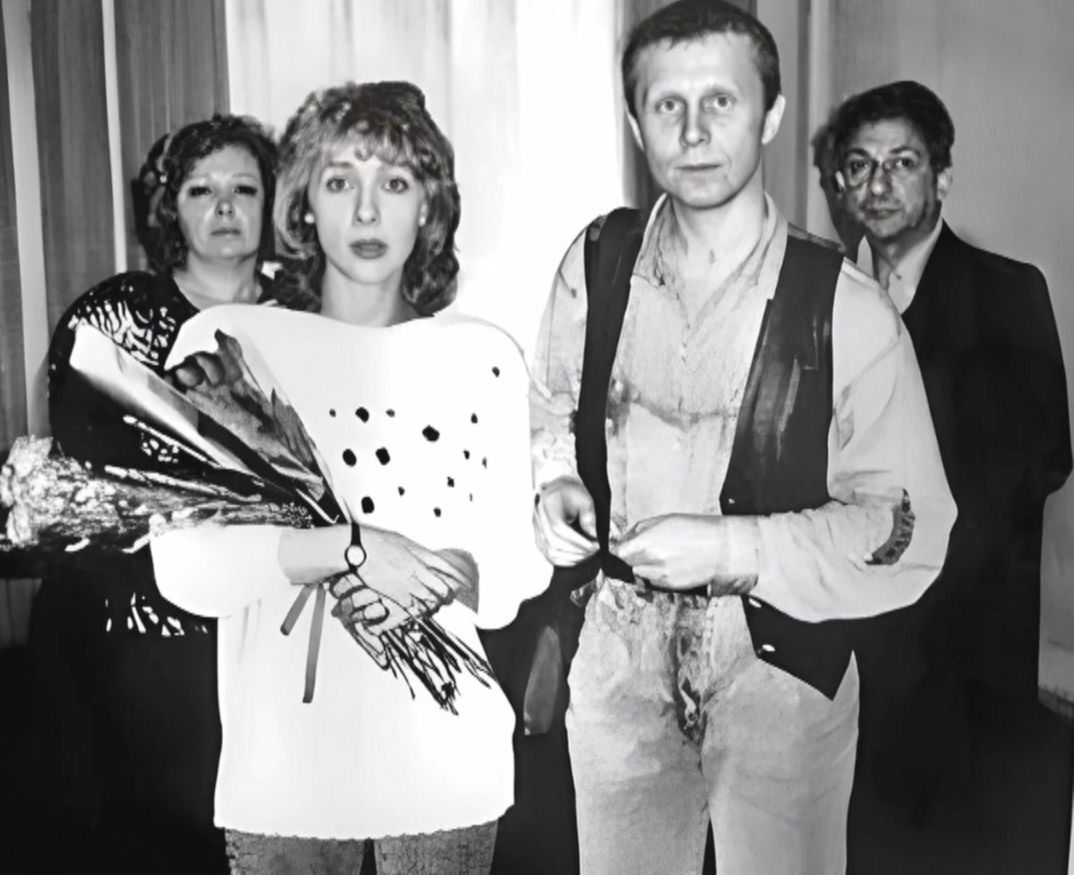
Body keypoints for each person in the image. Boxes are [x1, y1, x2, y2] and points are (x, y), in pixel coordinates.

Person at [529, 3, 957, 873]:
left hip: (780, 673)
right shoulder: (596, 262)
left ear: (770, 114)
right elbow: (551, 403)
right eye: (667, 105)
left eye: (720, 102)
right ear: (635, 121)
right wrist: (556, 482)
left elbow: (907, 526)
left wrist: (732, 547)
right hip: (617, 667)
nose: (693, 133)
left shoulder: (847, 308)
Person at [148, 81, 547, 875]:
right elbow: (186, 570)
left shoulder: (484, 356)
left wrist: (436, 576)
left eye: (394, 183)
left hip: (445, 766)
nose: (367, 212)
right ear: (302, 205)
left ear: (428, 207)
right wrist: (354, 549)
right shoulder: (228, 345)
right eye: (340, 182)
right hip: (286, 779)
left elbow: (514, 573)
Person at [29, 114, 297, 874]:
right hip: (137, 624)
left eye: (245, 189)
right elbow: (88, 473)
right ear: (169, 208)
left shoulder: (304, 317)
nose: (225, 207)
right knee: (155, 837)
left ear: (274, 203)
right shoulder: (115, 315)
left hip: (270, 621)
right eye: (200, 190)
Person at [826, 80, 1073, 870]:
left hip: (968, 647)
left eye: (902, 162)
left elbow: (1046, 455)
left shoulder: (1008, 290)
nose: (877, 184)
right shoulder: (818, 299)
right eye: (859, 165)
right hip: (850, 649)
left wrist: (908, 528)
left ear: (942, 176)